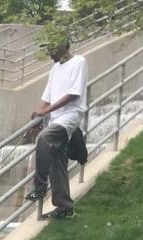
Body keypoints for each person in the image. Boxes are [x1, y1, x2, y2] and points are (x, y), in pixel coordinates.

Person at [25, 35, 88, 221]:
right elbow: (48, 97)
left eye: (51, 48)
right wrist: (39, 115)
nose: (48, 52)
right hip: (55, 118)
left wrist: (46, 111)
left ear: (62, 46)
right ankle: (64, 207)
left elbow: (73, 94)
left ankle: (39, 186)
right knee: (56, 161)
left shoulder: (79, 62)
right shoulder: (55, 68)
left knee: (44, 139)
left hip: (70, 116)